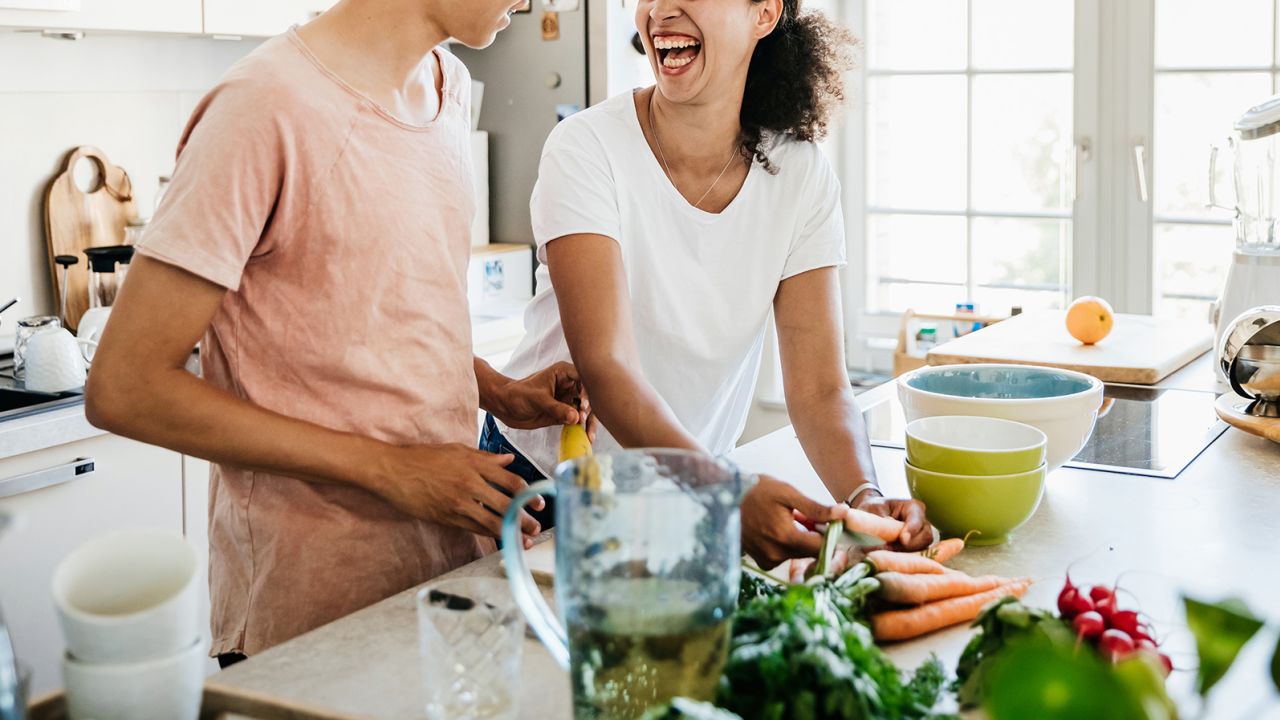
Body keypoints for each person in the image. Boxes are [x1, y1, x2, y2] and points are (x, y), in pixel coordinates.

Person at [84, 0, 587, 667]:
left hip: (446, 577)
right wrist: (391, 470)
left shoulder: (448, 87)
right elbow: (125, 386)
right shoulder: (264, 106)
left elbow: (368, 315)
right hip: (309, 609)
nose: (532, 1)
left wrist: (494, 389)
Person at [481, 0, 933, 568]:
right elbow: (607, 366)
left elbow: (819, 391)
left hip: (685, 496)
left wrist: (865, 499)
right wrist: (720, 488)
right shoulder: (586, 148)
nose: (660, 9)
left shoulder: (800, 174)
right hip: (547, 488)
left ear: (765, 14)